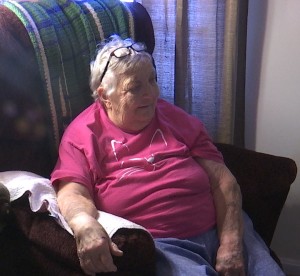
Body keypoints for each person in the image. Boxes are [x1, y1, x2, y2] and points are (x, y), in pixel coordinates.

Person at [51, 35, 285, 276]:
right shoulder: (82, 134)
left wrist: (231, 242)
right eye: (135, 87)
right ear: (104, 96)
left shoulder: (173, 117)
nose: (150, 94)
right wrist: (84, 223)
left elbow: (224, 181)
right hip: (166, 246)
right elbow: (72, 191)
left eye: (152, 80)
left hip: (223, 227)